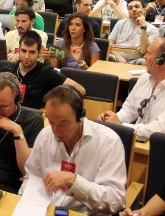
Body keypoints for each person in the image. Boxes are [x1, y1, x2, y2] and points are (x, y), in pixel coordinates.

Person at [20, 85, 126, 215]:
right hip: (45, 210)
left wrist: (74, 181)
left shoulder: (108, 142)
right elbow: (31, 177)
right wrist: (25, 204)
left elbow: (116, 201)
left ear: (80, 116)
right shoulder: (45, 135)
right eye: (51, 122)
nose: (55, 131)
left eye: (63, 124)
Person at [0, 31, 85, 109]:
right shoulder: (7, 71)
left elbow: (80, 89)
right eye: (23, 51)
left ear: (39, 52)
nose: (26, 56)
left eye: (32, 52)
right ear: (18, 50)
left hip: (32, 119)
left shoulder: (47, 72)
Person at [99, 37, 165, 138]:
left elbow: (158, 129)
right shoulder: (144, 78)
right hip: (136, 138)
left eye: (149, 53)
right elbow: (129, 110)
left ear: (160, 60)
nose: (145, 57)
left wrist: (120, 125)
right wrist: (112, 119)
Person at [109, 0, 159, 65]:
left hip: (136, 61)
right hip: (117, 58)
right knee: (109, 56)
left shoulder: (153, 29)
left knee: (143, 62)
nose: (134, 9)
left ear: (144, 10)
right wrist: (119, 58)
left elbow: (144, 51)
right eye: (130, 8)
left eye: (137, 7)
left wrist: (143, 27)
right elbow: (109, 44)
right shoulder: (120, 23)